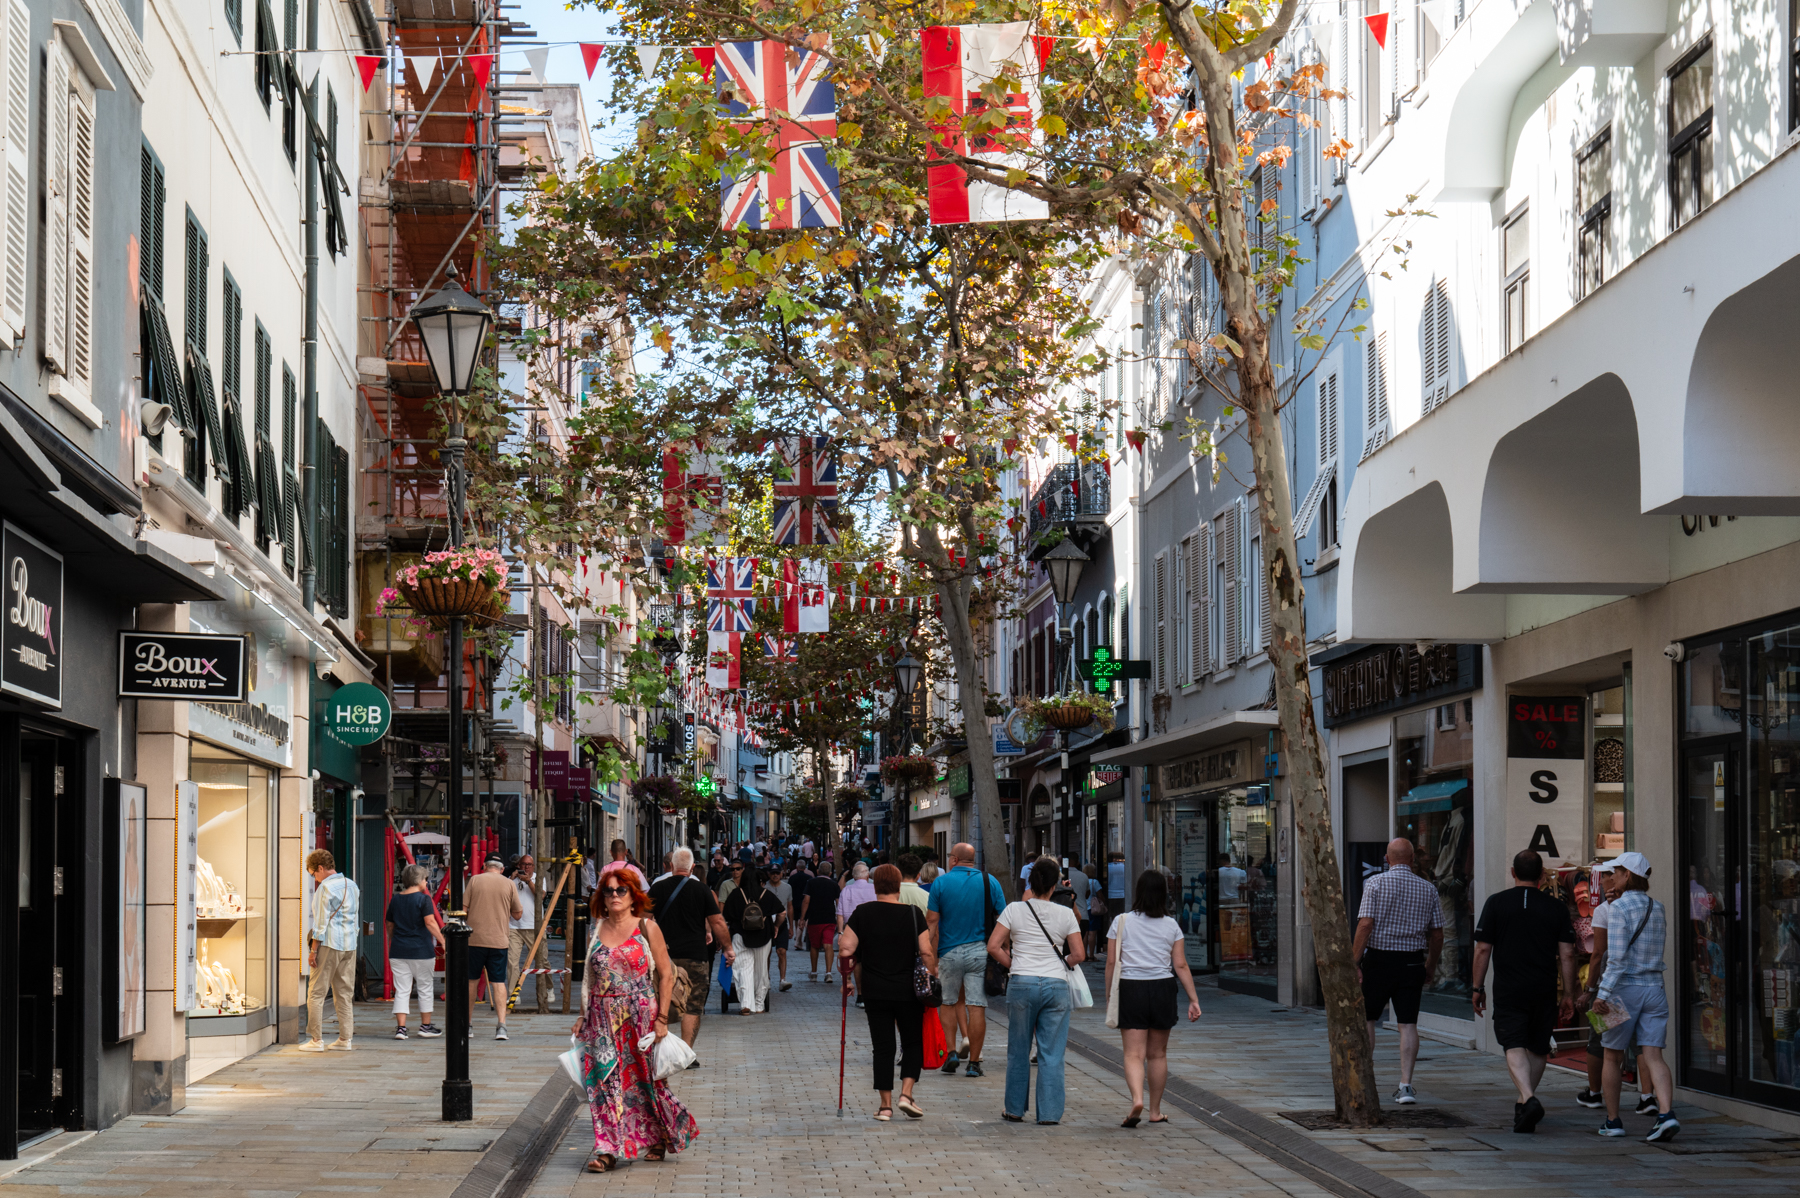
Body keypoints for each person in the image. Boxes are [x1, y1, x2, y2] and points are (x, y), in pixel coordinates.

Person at [573, 861, 698, 1172]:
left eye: (621, 890)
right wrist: (582, 1014)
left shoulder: (646, 928)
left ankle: (658, 1136)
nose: (615, 895)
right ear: (601, 896)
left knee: (645, 1083)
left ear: (633, 895)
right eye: (609, 891)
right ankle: (608, 1149)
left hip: (640, 1016)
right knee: (604, 1084)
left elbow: (666, 974)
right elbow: (590, 976)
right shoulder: (596, 929)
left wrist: (662, 1019)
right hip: (602, 1020)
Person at [1471, 849, 1577, 1134]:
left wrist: (1477, 987)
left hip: (1508, 987)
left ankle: (1528, 1098)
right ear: (1543, 876)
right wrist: (1569, 993)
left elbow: (1482, 948)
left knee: (1513, 1043)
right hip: (1543, 987)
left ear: (1513, 873)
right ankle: (1524, 1103)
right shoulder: (1556, 908)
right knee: (1538, 1046)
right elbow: (1567, 954)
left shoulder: (1496, 903)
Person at [988, 857, 1086, 1124]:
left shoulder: (1014, 910)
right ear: (1055, 886)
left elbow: (994, 946)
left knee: (1018, 1049)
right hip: (1056, 985)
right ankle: (1050, 1114)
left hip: (1022, 983)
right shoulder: (1066, 914)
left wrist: (1014, 964)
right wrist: (1061, 963)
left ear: (1030, 882)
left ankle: (1014, 1109)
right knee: (1052, 1053)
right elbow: (1079, 954)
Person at [1351, 838, 1445, 1105]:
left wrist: (1354, 962)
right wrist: (1431, 965)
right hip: (1412, 962)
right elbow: (1437, 934)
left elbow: (1365, 925)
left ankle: (1367, 1077)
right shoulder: (1428, 888)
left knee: (1368, 1018)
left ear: (1386, 859)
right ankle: (1405, 1085)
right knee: (1407, 1023)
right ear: (1413, 859)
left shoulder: (1375, 883)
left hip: (1378, 961)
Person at [1591, 851, 1677, 1141]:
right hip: (1655, 987)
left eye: (1616, 872)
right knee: (1654, 1054)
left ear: (1627, 875)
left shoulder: (1617, 908)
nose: (1612, 876)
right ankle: (1665, 1113)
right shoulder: (1659, 907)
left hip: (1623, 990)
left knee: (1612, 1056)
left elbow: (1616, 959)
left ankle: (1613, 1121)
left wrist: (1601, 994)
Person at [1106, 869, 1202, 1126]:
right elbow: (1180, 965)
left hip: (1131, 988)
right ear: (1164, 894)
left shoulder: (1121, 921)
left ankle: (1137, 1098)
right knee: (1157, 1054)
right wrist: (1194, 999)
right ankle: (1154, 1111)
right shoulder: (1171, 925)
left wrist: (1109, 995)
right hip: (1162, 988)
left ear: (1138, 892)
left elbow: (1112, 963)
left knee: (1133, 1054)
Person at [840, 863, 935, 1121]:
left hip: (875, 990)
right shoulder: (914, 914)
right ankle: (906, 1094)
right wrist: (932, 975)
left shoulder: (863, 913)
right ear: (898, 886)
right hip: (909, 991)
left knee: (883, 1047)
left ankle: (885, 1106)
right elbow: (926, 951)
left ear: (875, 884)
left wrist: (848, 980)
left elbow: (846, 948)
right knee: (912, 1041)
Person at [1575, 860, 1655, 1113]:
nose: (1605, 880)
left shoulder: (1606, 910)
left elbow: (1598, 954)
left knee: (1600, 1042)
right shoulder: (1649, 905)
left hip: (1611, 986)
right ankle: (1647, 1096)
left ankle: (1596, 1094)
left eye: (1610, 875)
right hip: (1644, 984)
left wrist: (1590, 989)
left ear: (1619, 877)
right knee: (1641, 1043)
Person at [928, 842, 1008, 1078]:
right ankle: (974, 1063)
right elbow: (1004, 918)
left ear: (954, 859)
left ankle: (951, 1052)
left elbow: (932, 922)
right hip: (980, 953)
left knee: (949, 1002)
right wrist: (1005, 950)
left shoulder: (940, 883)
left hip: (949, 953)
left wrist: (927, 956)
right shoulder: (989, 881)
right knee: (976, 1005)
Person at [648, 848, 733, 1055]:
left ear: (671, 866)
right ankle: (685, 1053)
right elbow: (717, 921)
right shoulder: (702, 889)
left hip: (664, 955)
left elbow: (643, 919)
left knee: (660, 1001)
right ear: (692, 867)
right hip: (695, 955)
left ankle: (660, 1050)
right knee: (693, 1005)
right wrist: (728, 948)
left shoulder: (657, 888)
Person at [302, 849, 361, 1050]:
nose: (314, 879)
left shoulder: (324, 889)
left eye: (313, 874)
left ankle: (316, 1040)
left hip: (329, 943)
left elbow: (320, 923)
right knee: (344, 993)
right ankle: (345, 1039)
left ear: (320, 868)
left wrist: (313, 950)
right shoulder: (351, 885)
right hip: (349, 945)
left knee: (316, 992)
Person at [466, 855, 524, 1041]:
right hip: (499, 940)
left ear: (484, 866)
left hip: (474, 939)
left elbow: (463, 909)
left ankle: (467, 1025)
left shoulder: (474, 880)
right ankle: (501, 1026)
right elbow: (518, 914)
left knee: (471, 981)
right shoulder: (508, 884)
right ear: (501, 868)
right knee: (498, 982)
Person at [386, 864, 446, 1040]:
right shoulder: (424, 899)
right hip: (421, 950)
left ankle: (401, 1029)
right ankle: (425, 1026)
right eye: (425, 879)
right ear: (420, 880)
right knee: (425, 987)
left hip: (398, 950)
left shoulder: (395, 899)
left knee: (402, 989)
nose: (426, 883)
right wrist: (443, 941)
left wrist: (393, 939)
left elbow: (389, 924)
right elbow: (430, 922)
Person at [722, 865, 783, 1014]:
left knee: (743, 970)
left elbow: (726, 917)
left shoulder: (736, 894)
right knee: (761, 970)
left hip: (739, 936)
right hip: (763, 936)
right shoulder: (766, 894)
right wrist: (776, 927)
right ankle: (759, 1004)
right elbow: (782, 912)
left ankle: (745, 1004)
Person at [508, 853, 556, 1011]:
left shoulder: (538, 878)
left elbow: (540, 896)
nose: (526, 867)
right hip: (514, 926)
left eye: (529, 865)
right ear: (519, 865)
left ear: (533, 867)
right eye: (523, 864)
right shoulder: (512, 880)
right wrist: (511, 878)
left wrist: (528, 881)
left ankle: (548, 988)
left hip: (534, 926)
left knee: (542, 960)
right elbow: (503, 894)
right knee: (512, 963)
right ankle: (513, 993)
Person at [837, 862, 878, 1006]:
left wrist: (841, 932)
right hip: (873, 928)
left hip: (851, 929)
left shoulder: (846, 890)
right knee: (873, 960)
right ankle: (872, 993)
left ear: (854, 877)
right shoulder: (874, 889)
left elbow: (840, 914)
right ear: (867, 875)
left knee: (857, 962)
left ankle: (861, 995)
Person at [799, 862, 841, 983]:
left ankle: (814, 972)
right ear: (830, 873)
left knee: (815, 946)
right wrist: (839, 918)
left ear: (818, 871)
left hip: (814, 919)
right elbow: (839, 903)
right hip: (829, 919)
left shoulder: (810, 883)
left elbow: (806, 901)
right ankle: (828, 973)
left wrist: (802, 918)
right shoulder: (834, 885)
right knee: (828, 944)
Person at [767, 863, 795, 991]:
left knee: (782, 951)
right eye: (773, 873)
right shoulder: (764, 887)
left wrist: (791, 926)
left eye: (777, 873)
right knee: (766, 952)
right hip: (767, 923)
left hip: (782, 923)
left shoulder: (787, 887)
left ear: (781, 874)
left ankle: (782, 979)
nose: (775, 875)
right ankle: (765, 978)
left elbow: (789, 907)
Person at [1065, 856, 1094, 959]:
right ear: (1077, 862)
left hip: (1065, 915)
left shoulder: (1061, 876)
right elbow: (1087, 894)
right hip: (1082, 914)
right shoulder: (1084, 876)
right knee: (1078, 941)